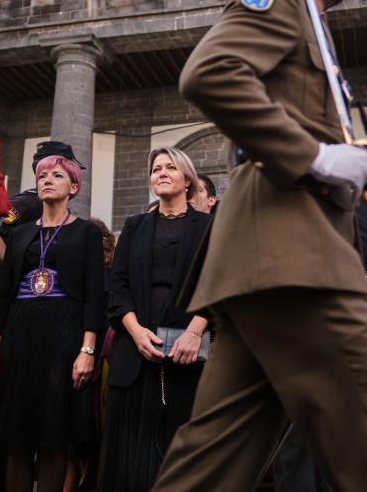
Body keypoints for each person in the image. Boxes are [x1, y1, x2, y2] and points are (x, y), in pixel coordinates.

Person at [153, 0, 367, 492]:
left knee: (210, 465)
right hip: (295, 259)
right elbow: (209, 73)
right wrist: (317, 156)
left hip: (267, 264)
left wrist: (349, 158)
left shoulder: (308, 19)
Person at [0, 154, 103, 492]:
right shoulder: (18, 235)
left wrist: (87, 350)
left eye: (57, 175)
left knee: (54, 438)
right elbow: (3, 297)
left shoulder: (86, 234)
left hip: (64, 340)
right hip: (20, 339)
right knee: (16, 440)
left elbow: (95, 296)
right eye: (42, 175)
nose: (47, 180)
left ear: (74, 187)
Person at [99, 147, 211, 491]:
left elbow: (220, 283)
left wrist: (194, 332)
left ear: (187, 179)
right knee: (128, 459)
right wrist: (135, 331)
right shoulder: (134, 226)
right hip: (135, 355)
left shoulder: (209, 226)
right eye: (156, 168)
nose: (161, 172)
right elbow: (117, 287)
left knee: (181, 455)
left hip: (188, 357)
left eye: (170, 167)